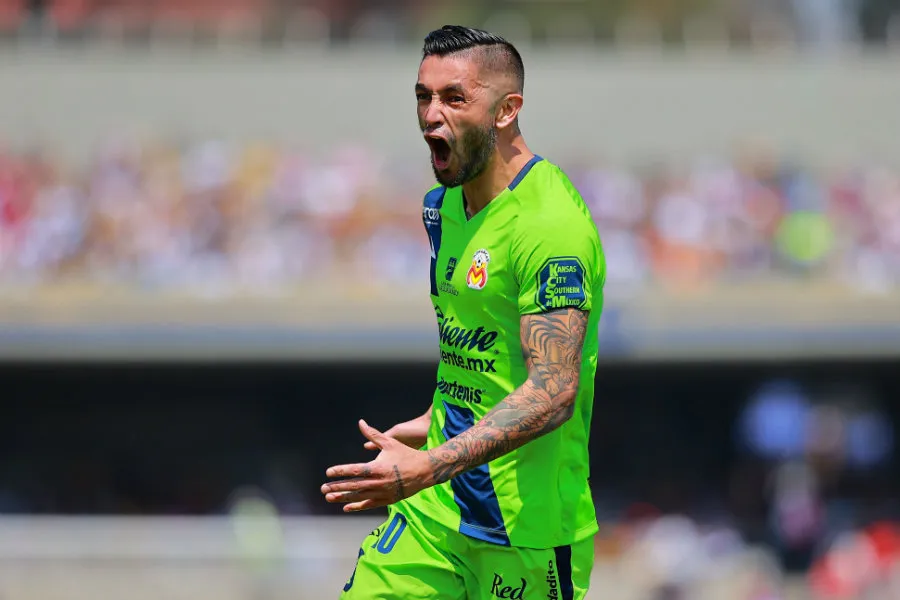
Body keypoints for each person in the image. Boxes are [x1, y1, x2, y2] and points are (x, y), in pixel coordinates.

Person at [321, 24, 607, 600]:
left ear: (507, 110)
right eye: (423, 96)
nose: (432, 114)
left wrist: (429, 464)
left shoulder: (549, 226)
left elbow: (552, 391)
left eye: (454, 98)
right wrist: (439, 417)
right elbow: (481, 345)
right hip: (435, 511)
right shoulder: (442, 208)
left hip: (526, 531)